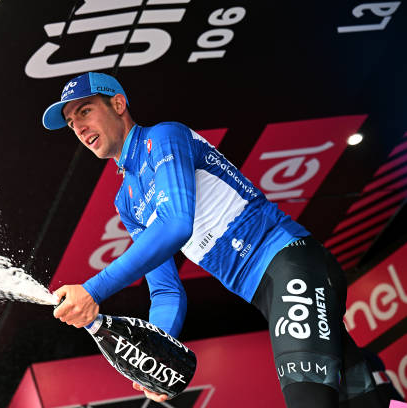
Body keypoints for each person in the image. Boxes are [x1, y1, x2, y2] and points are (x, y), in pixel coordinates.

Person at [43, 72, 392, 407]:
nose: (79, 127)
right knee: (361, 401)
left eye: (85, 111)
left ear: (118, 104)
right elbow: (165, 290)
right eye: (72, 123)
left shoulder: (163, 137)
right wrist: (157, 351)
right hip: (268, 292)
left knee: (308, 400)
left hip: (291, 263)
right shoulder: (127, 201)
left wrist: (93, 290)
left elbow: (176, 224)